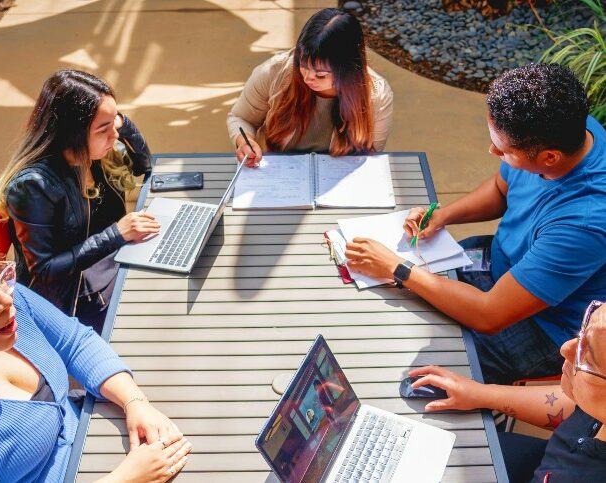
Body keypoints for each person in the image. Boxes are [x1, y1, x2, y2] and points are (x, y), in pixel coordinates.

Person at [345, 63, 606, 384]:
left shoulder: (584, 223)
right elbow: (501, 187)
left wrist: (396, 268)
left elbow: (489, 315)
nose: (492, 150)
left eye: (504, 150)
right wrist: (444, 215)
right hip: (501, 266)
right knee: (404, 302)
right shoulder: (574, 128)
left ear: (549, 157)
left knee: (420, 373)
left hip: (545, 326)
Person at [0, 234, 192, 482]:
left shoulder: (10, 302)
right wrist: (127, 478)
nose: (6, 299)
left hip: (100, 436)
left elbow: (75, 342)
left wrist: (135, 401)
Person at [0, 70, 160, 333]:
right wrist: (117, 234)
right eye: (103, 129)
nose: (114, 136)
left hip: (112, 263)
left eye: (114, 123)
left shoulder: (94, 154)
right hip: (77, 300)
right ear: (73, 133)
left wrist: (121, 122)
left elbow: (144, 165)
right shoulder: (34, 186)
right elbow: (44, 269)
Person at [408, 300, 606, 483]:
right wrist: (480, 393)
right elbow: (577, 404)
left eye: (588, 358)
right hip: (545, 458)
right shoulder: (595, 403)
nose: (565, 349)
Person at [226, 8, 394, 165]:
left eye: (320, 74)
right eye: (302, 65)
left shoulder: (377, 95)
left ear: (347, 69)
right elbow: (240, 118)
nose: (307, 78)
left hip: (338, 181)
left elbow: (371, 158)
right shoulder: (275, 71)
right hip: (276, 172)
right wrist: (245, 142)